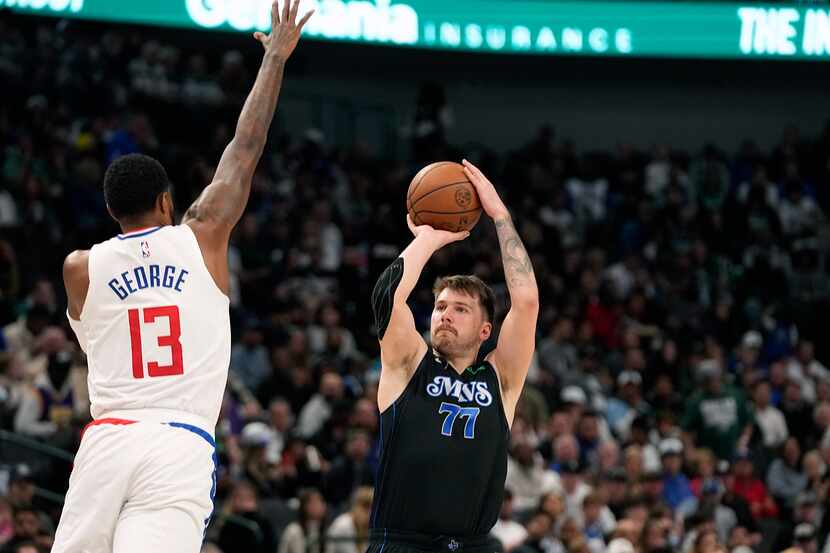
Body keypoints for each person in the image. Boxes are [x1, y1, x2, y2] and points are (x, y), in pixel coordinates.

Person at [50, 3, 313, 552]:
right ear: (168, 201)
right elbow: (246, 147)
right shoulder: (202, 235)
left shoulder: (80, 267)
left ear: (110, 210)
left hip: (108, 440)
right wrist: (274, 60)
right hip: (179, 442)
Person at [367, 160, 539, 552]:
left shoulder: (500, 379)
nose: (445, 314)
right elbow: (385, 298)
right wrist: (429, 237)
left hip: (474, 545)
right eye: (441, 306)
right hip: (402, 543)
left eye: (460, 309)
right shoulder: (410, 362)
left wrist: (499, 216)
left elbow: (526, 302)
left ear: (485, 331)